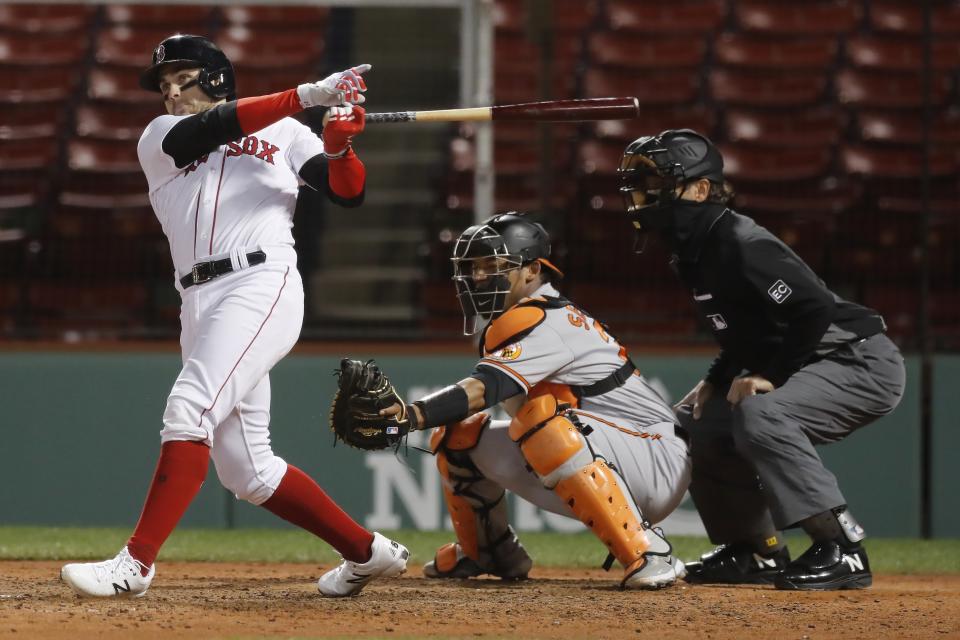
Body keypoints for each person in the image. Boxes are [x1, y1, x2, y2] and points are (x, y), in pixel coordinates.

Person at [60, 34, 408, 599]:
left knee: (189, 407)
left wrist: (341, 147)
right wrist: (307, 93)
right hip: (197, 299)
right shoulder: (161, 136)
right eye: (164, 85)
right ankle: (367, 553)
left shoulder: (288, 133)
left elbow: (346, 193)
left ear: (216, 76)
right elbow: (215, 128)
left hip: (261, 281)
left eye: (183, 78)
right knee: (249, 473)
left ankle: (136, 564)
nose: (171, 92)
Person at [618, 129, 906, 590]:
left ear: (700, 189)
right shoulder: (693, 250)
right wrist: (716, 378)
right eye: (641, 183)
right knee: (694, 423)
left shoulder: (739, 239)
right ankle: (753, 551)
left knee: (762, 411)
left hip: (858, 360)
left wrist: (769, 376)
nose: (644, 194)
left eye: (656, 182)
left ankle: (842, 549)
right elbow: (751, 334)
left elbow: (813, 309)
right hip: (814, 356)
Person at [379, 212, 691, 589]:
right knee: (457, 435)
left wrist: (409, 416)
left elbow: (485, 389)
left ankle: (649, 552)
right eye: (473, 268)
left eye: (492, 266)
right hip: (606, 452)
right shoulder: (519, 319)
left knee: (541, 422)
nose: (479, 277)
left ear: (531, 271)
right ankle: (488, 551)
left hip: (654, 459)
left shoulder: (548, 320)